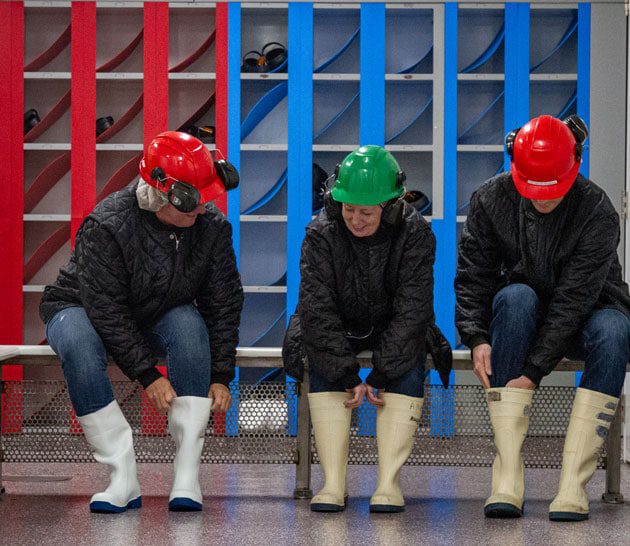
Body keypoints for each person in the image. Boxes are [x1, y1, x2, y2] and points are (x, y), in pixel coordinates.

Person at [40, 131, 243, 513]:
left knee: (189, 326)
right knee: (80, 345)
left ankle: (187, 474)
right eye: (192, 204)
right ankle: (122, 476)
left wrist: (221, 374)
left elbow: (223, 301)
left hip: (158, 308)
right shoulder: (107, 224)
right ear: (161, 194)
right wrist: (147, 375)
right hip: (80, 305)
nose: (202, 210)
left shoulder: (210, 226)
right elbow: (106, 308)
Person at [455, 114, 630, 521]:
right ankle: (507, 477)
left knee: (616, 328)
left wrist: (533, 372)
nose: (542, 198)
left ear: (575, 167)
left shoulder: (598, 210)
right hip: (521, 316)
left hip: (588, 312)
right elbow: (472, 277)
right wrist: (477, 336)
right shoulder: (490, 199)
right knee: (515, 297)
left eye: (552, 189)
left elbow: (574, 300)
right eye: (533, 188)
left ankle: (573, 483)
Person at [283, 145, 436, 513]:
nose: (356, 219)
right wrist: (346, 373)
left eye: (366, 212)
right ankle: (333, 482)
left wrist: (382, 372)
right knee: (319, 355)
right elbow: (316, 310)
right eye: (349, 209)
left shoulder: (415, 232)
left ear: (392, 206)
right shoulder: (320, 231)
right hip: (338, 322)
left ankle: (388, 483)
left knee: (411, 356)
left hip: (391, 324)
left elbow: (413, 311)